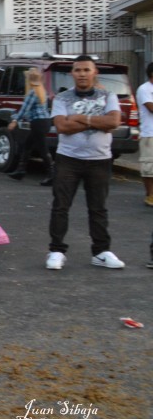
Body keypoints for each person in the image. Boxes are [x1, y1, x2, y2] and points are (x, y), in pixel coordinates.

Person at [45, 55, 125, 271]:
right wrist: (99, 123)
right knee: (61, 206)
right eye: (78, 70)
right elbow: (62, 127)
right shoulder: (62, 98)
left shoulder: (109, 95)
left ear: (94, 72)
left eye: (86, 70)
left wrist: (82, 119)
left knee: (98, 208)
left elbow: (114, 122)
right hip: (68, 159)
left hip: (99, 159)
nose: (82, 74)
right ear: (72, 73)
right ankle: (56, 251)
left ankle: (100, 252)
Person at [7, 67, 54, 185]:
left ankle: (52, 174)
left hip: (38, 123)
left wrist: (14, 121)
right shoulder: (42, 90)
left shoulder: (33, 92)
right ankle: (20, 170)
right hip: (44, 122)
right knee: (27, 145)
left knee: (42, 149)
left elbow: (24, 109)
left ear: (29, 79)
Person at [136, 62, 153, 207]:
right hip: (150, 134)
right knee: (149, 167)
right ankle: (150, 196)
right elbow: (151, 107)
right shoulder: (144, 89)